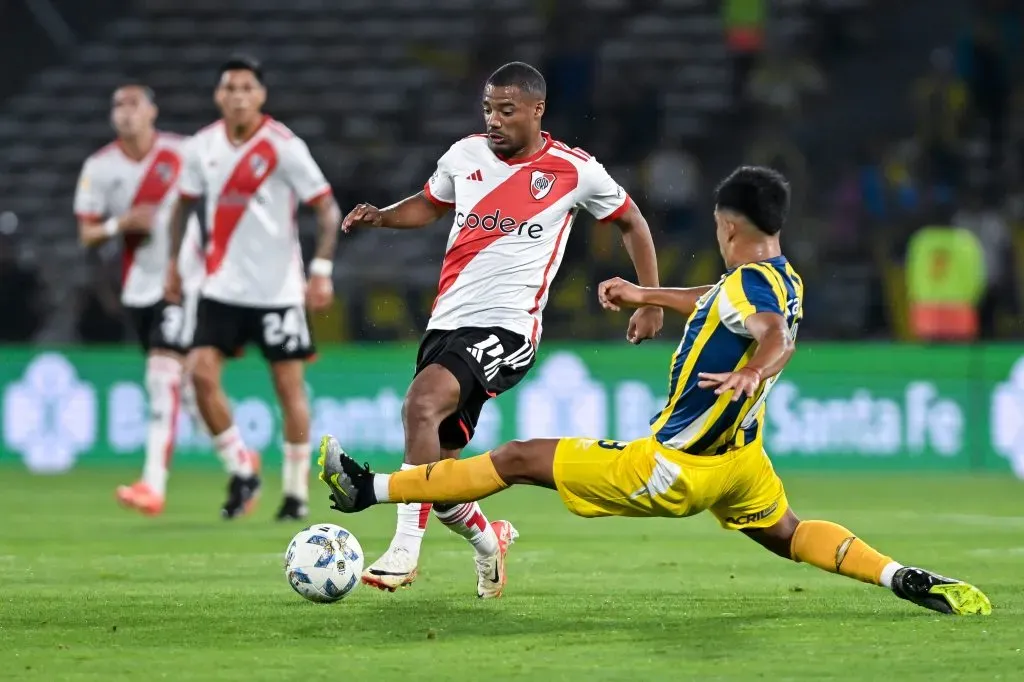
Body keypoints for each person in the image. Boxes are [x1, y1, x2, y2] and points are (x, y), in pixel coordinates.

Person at [319, 166, 992, 616]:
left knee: (519, 457)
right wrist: (647, 294)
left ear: (727, 226)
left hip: (676, 468)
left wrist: (755, 368)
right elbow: (727, 302)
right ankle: (904, 578)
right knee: (787, 533)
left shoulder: (752, 294)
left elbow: (768, 334)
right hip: (741, 465)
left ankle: (367, 490)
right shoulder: (782, 275)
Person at [340, 61, 663, 597]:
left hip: (510, 329)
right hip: (446, 323)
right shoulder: (462, 156)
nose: (494, 120)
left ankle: (402, 550)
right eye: (488, 108)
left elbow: (632, 221)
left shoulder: (574, 170)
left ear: (537, 111)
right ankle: (490, 543)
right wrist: (384, 215)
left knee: (421, 403)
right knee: (442, 481)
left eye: (506, 110)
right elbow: (429, 204)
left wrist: (649, 299)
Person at [163, 55, 341, 521]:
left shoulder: (283, 146)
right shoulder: (201, 146)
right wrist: (174, 265)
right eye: (230, 88)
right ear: (218, 95)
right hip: (221, 287)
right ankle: (242, 469)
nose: (238, 95)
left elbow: (327, 209)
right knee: (199, 374)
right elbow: (182, 206)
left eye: (247, 88)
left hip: (278, 291)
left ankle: (296, 494)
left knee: (288, 389)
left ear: (260, 95)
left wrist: (320, 269)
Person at [74, 84, 205, 516]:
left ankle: (153, 484)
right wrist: (121, 224)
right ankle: (241, 457)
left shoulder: (183, 151)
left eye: (133, 103)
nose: (125, 112)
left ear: (153, 110)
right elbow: (88, 233)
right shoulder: (100, 166)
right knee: (182, 387)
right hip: (137, 287)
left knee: (161, 375)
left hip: (183, 279)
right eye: (117, 105)